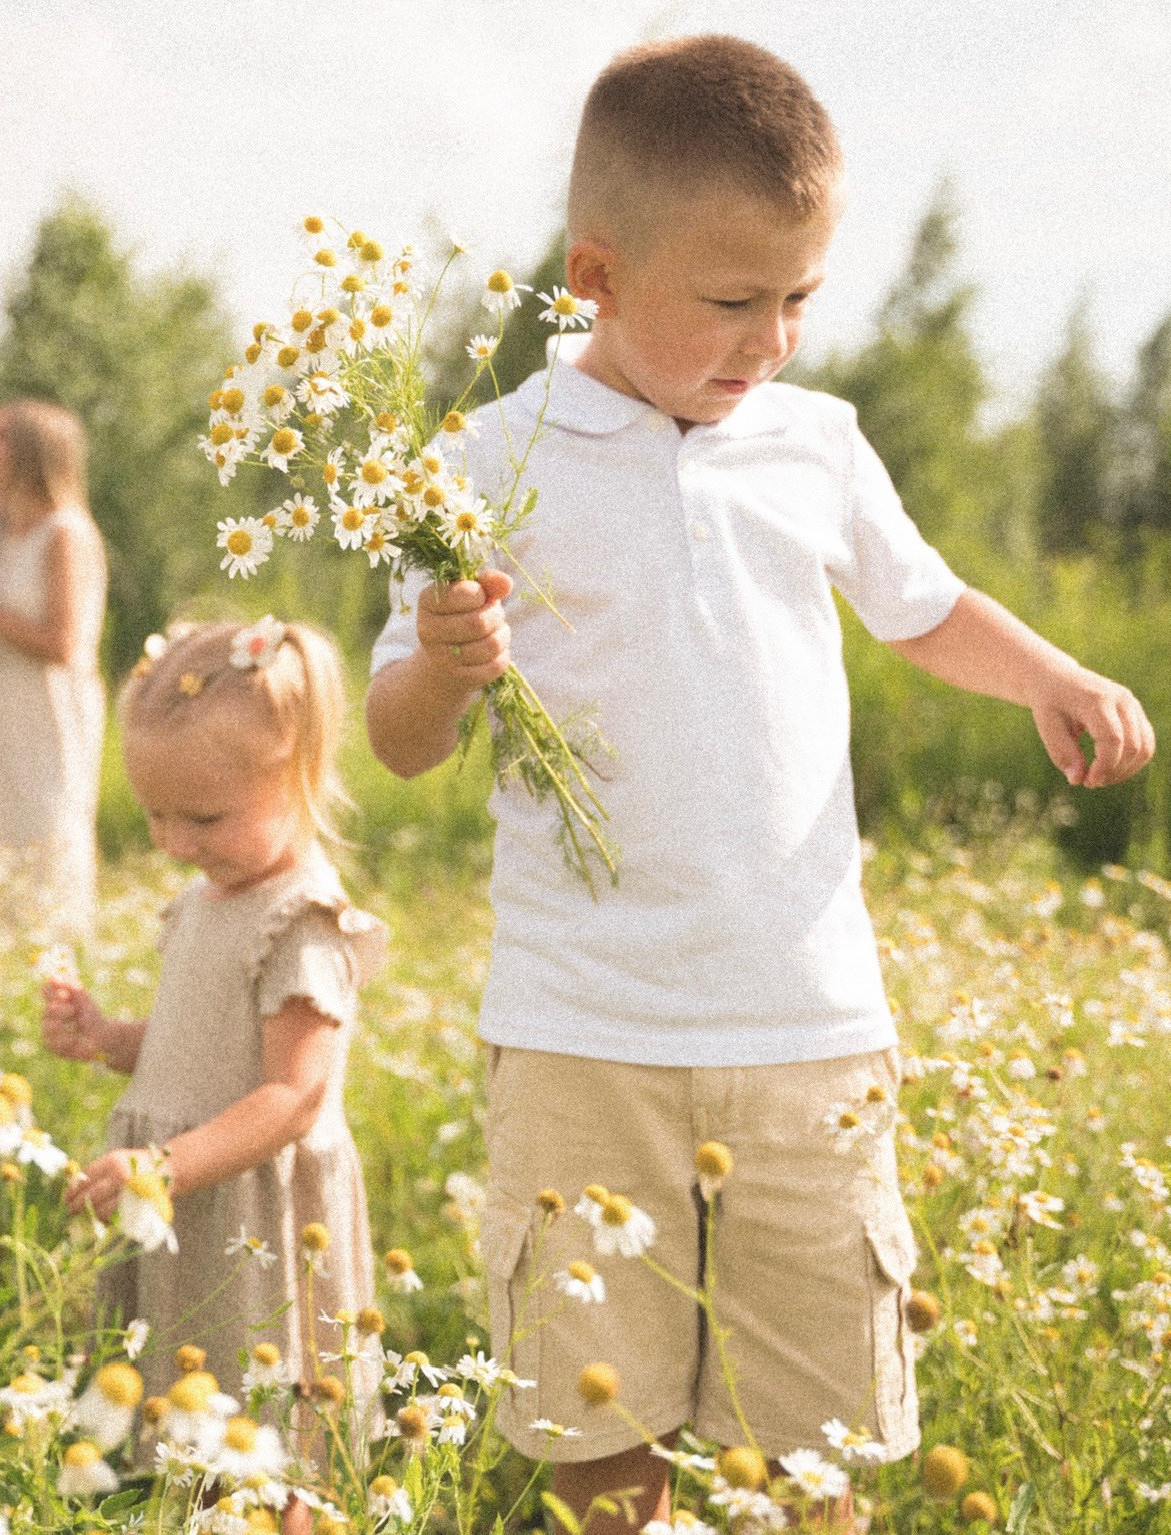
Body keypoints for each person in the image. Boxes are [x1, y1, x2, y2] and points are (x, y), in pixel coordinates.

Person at [366, 35, 1154, 1534]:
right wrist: (450, 662)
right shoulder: (484, 455)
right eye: (732, 302)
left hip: (806, 1022)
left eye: (799, 297)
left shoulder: (817, 442)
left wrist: (1049, 669)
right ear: (590, 277)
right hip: (582, 1028)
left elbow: (922, 606)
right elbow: (397, 734)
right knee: (596, 1434)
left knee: (818, 1449)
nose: (772, 338)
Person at [41, 618, 384, 1485]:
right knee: (181, 1423)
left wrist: (163, 1163)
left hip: (255, 1216)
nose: (173, 841)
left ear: (297, 774)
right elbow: (202, 1045)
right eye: (154, 813)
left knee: (270, 1431)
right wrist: (111, 1040)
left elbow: (293, 1095)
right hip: (187, 1193)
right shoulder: (203, 900)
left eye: (202, 816)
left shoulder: (300, 920)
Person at [0, 399, 109, 935]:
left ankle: (58, 954)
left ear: (31, 451)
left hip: (47, 705)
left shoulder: (65, 532)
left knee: (47, 826)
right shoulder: (4, 528)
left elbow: (64, 643)